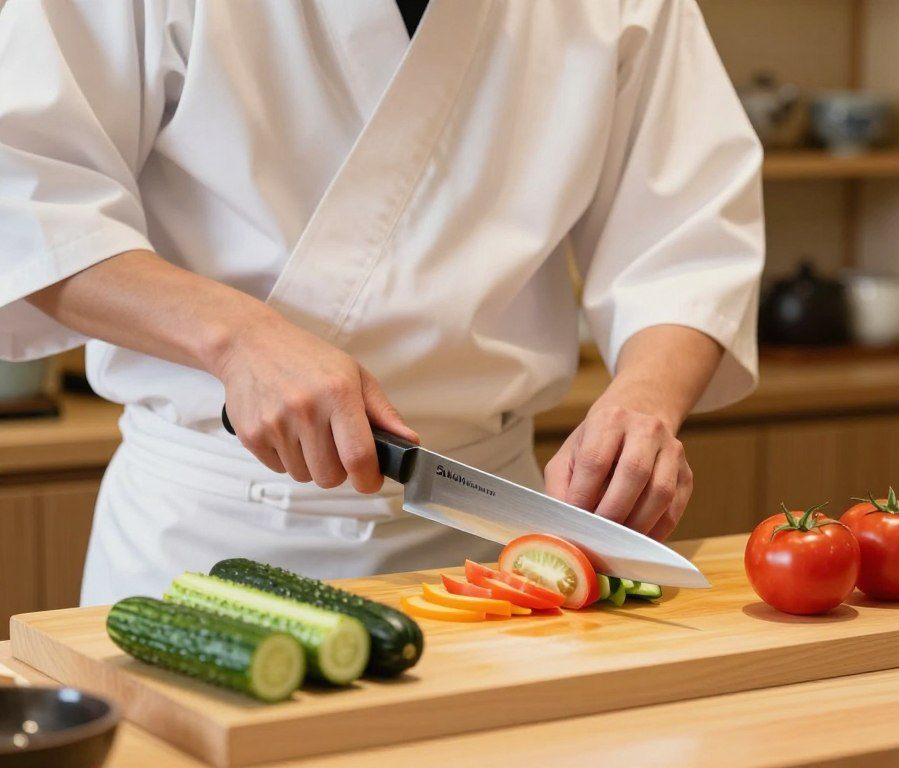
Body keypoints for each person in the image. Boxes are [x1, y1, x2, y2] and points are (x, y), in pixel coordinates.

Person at [0, 0, 765, 606]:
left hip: (492, 545)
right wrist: (237, 338)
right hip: (207, 546)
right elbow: (26, 199)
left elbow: (687, 234)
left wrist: (644, 401)